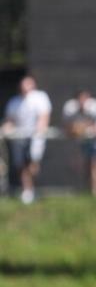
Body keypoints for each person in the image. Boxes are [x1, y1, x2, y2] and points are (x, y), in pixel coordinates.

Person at [2, 75, 51, 204]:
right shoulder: (14, 101)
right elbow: (10, 121)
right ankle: (27, 191)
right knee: (21, 165)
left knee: (33, 164)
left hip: (35, 138)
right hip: (19, 138)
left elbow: (43, 117)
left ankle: (33, 188)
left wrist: (39, 132)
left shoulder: (40, 97)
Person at [62, 89, 96, 197]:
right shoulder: (70, 109)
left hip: (93, 141)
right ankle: (85, 191)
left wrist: (82, 126)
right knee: (81, 167)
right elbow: (67, 127)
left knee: (94, 166)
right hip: (79, 142)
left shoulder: (95, 107)